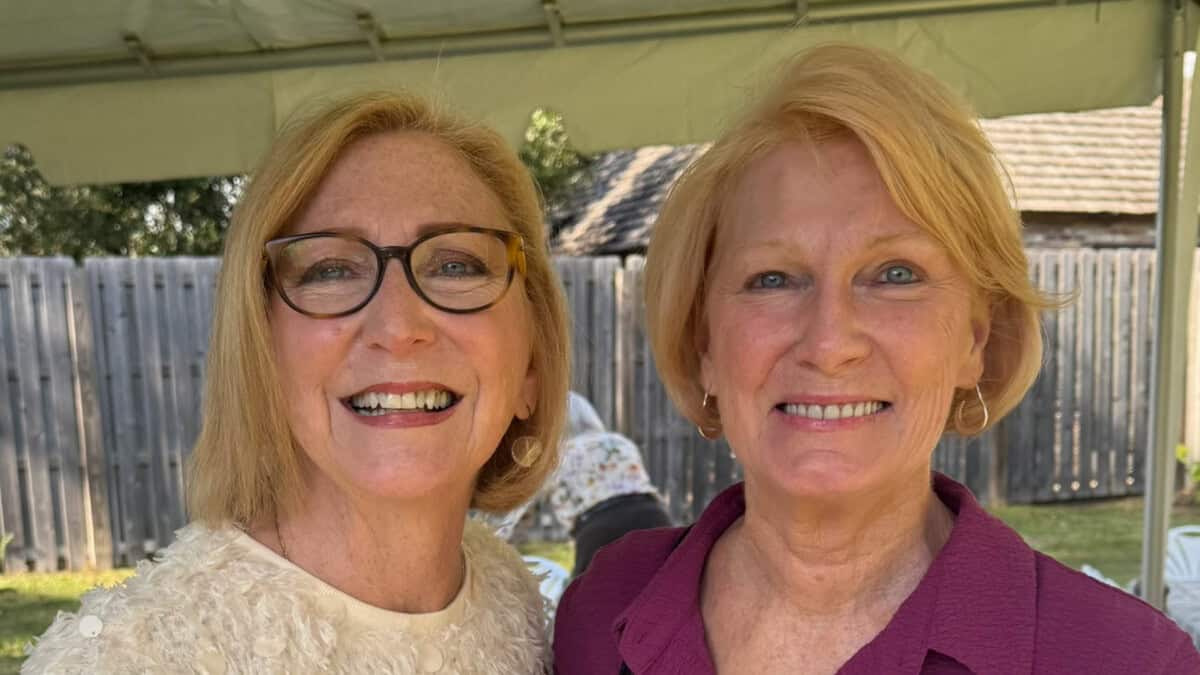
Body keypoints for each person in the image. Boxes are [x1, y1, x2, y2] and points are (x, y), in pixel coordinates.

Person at [553, 44, 1200, 674]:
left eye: (895, 273)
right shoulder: (601, 611)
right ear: (705, 348)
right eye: (773, 278)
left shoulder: (1128, 659)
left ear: (974, 339)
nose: (831, 342)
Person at [25, 91, 570, 673]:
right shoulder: (125, 662)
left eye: (456, 265)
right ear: (257, 350)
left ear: (531, 365)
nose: (398, 326)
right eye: (330, 270)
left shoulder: (518, 604)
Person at [490, 392, 671, 578]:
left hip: (600, 528)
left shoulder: (556, 457)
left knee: (585, 599)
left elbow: (518, 506)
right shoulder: (619, 441)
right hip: (653, 515)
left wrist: (491, 540)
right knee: (660, 587)